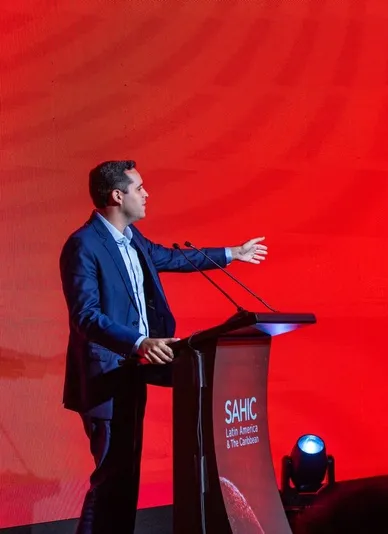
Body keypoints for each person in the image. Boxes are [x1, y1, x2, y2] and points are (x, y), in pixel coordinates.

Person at [59, 160, 267, 534]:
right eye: (139, 188)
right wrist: (140, 342)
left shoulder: (132, 240)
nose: (146, 194)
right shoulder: (84, 245)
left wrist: (231, 253)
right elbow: (85, 317)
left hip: (132, 371)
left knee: (125, 478)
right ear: (117, 195)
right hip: (105, 377)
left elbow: (170, 257)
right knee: (110, 478)